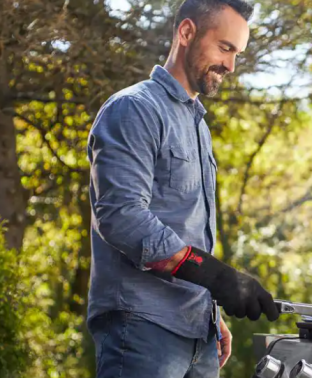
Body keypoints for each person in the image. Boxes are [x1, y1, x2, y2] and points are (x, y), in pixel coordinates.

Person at [85, 0, 279, 377]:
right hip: (141, 328)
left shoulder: (198, 127)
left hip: (198, 334)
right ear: (187, 33)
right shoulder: (133, 109)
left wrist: (211, 311)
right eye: (225, 48)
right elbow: (122, 217)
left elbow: (188, 225)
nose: (231, 65)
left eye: (237, 53)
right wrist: (218, 277)